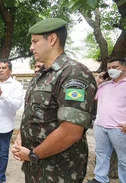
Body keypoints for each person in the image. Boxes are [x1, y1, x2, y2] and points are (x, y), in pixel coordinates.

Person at [12, 18, 97, 183]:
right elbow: (35, 114)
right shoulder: (43, 74)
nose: (31, 47)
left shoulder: (73, 73)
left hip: (59, 171)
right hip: (37, 167)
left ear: (52, 39)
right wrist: (22, 136)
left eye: (35, 41)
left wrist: (33, 154)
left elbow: (71, 131)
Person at [88, 57, 126, 183]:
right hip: (100, 126)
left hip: (119, 128)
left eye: (115, 67)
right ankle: (100, 179)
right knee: (101, 155)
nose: (111, 70)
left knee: (124, 159)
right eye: (109, 68)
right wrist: (99, 81)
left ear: (124, 68)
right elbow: (92, 98)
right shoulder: (104, 86)